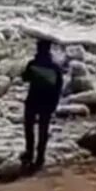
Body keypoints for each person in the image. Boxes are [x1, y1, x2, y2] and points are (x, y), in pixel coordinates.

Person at [20, 39, 65, 172]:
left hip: (33, 100)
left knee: (29, 127)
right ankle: (40, 156)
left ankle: (29, 152)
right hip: (47, 102)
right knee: (43, 129)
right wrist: (54, 104)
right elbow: (58, 87)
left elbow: (24, 78)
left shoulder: (33, 64)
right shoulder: (55, 68)